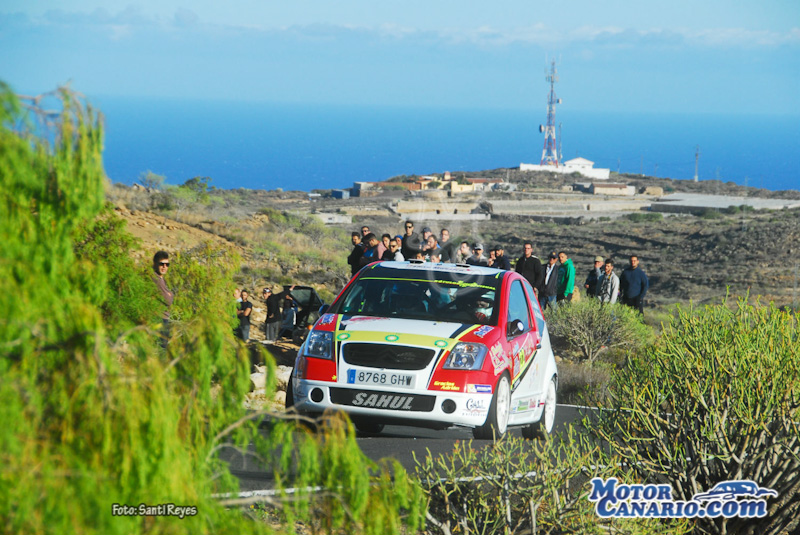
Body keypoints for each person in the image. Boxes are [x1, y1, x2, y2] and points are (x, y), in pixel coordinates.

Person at [152, 251, 174, 346]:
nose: (164, 267)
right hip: (159, 318)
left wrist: (169, 294)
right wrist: (169, 294)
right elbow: (168, 300)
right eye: (162, 264)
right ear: (155, 264)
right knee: (161, 349)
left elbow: (169, 296)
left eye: (167, 264)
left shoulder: (160, 279)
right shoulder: (156, 279)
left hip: (162, 317)